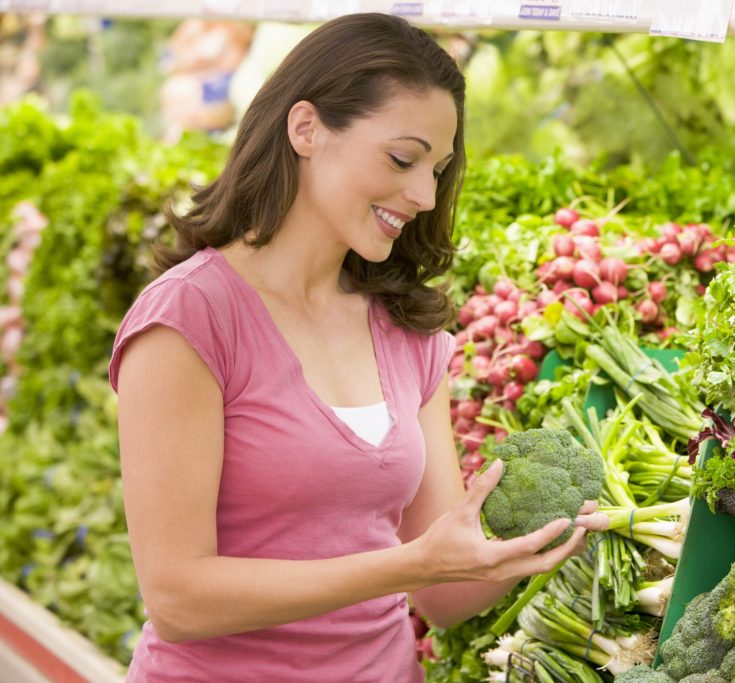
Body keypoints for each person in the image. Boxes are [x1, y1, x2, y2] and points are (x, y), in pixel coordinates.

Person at [109, 12, 607, 682]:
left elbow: (442, 593)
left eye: (439, 169)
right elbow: (178, 599)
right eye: (403, 159)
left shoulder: (407, 330)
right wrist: (410, 564)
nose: (425, 195)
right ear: (306, 128)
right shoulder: (191, 317)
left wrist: (540, 541)